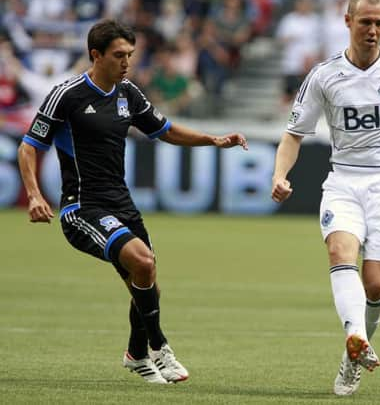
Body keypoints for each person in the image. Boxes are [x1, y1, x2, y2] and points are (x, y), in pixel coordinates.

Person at [17, 19, 248, 384]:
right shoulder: (68, 95)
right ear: (96, 55)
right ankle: (159, 346)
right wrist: (33, 195)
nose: (127, 62)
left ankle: (136, 355)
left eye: (130, 54)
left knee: (146, 281)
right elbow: (29, 146)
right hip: (82, 208)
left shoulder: (128, 93)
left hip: (121, 203)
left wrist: (213, 140)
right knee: (142, 262)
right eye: (119, 55)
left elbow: (166, 130)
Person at [271, 0, 380, 396]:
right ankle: (357, 338)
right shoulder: (324, 76)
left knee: (376, 283)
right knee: (339, 253)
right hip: (344, 182)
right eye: (365, 22)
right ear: (347, 21)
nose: (372, 30)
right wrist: (280, 175)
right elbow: (293, 134)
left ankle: (354, 352)